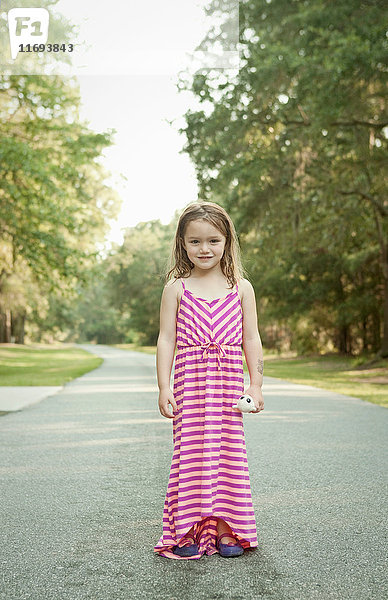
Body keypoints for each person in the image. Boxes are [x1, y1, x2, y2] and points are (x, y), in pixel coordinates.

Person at [154, 202, 264, 560]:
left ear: (227, 241)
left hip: (228, 384)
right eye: (195, 241)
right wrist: (164, 387)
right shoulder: (176, 288)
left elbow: (251, 338)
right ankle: (186, 528)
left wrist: (256, 384)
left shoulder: (241, 287)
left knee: (227, 455)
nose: (205, 249)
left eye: (213, 240)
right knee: (190, 455)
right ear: (183, 244)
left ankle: (227, 528)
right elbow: (166, 339)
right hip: (190, 385)